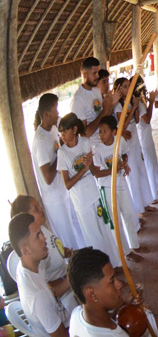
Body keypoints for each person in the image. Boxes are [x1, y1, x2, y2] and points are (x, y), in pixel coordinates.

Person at [56, 113, 122, 269]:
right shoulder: (62, 153)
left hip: (94, 195)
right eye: (61, 133)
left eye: (65, 131)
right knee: (93, 237)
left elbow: (94, 171)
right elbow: (67, 184)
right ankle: (101, 270)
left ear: (74, 129)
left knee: (105, 230)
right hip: (82, 202)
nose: (63, 136)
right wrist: (83, 168)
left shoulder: (85, 142)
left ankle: (115, 263)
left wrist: (90, 164)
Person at [9, 213, 71, 337]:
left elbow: (51, 291)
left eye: (41, 232)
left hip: (64, 318)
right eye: (38, 235)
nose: (44, 238)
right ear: (25, 250)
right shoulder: (38, 296)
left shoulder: (27, 265)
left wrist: (69, 278)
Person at [91, 116, 148, 263]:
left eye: (104, 131)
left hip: (120, 183)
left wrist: (124, 163)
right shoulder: (97, 149)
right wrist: (116, 169)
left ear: (114, 132)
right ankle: (125, 251)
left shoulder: (119, 141)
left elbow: (123, 154)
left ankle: (134, 245)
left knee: (128, 214)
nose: (101, 134)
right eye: (100, 131)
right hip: (107, 188)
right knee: (115, 221)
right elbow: (97, 173)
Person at [30, 93, 84, 248]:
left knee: (78, 230)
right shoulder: (40, 140)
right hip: (55, 199)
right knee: (67, 238)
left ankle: (86, 259)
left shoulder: (53, 129)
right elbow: (47, 176)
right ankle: (75, 268)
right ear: (46, 114)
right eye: (55, 110)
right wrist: (60, 152)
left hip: (63, 191)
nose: (58, 114)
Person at [10, 196, 76, 314]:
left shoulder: (41, 230)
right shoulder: (37, 252)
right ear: (27, 218)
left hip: (68, 281)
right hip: (64, 299)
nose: (41, 209)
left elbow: (54, 246)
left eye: (39, 205)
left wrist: (64, 252)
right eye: (36, 209)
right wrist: (71, 276)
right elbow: (51, 292)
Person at [113, 78, 156, 216]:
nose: (128, 89)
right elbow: (123, 125)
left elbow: (137, 120)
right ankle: (138, 209)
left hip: (135, 139)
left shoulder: (130, 100)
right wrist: (132, 110)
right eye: (125, 87)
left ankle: (146, 202)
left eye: (129, 86)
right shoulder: (118, 106)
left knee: (141, 170)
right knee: (133, 176)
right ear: (119, 89)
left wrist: (135, 107)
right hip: (127, 144)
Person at [71, 57, 115, 144]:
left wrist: (110, 104)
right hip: (92, 147)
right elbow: (84, 134)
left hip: (103, 142)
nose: (97, 76)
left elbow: (105, 117)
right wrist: (104, 111)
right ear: (85, 75)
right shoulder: (78, 99)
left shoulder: (96, 91)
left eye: (97, 73)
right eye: (94, 73)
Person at [136, 86, 158, 196]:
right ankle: (154, 189)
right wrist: (151, 102)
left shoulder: (141, 102)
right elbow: (147, 119)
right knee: (149, 162)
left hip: (147, 136)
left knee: (153, 160)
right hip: (143, 138)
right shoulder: (138, 104)